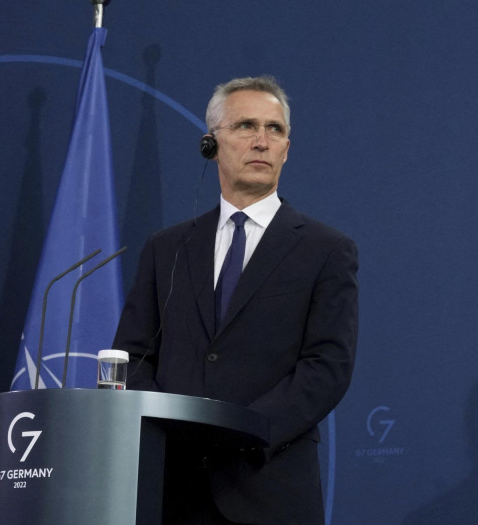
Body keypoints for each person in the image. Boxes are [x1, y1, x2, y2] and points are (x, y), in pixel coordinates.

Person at [113, 76, 358, 525]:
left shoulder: (326, 249)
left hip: (268, 486)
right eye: (246, 126)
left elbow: (327, 366)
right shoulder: (166, 249)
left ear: (287, 148)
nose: (262, 141)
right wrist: (175, 428)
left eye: (275, 130)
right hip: (171, 489)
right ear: (211, 144)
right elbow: (132, 355)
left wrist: (243, 430)